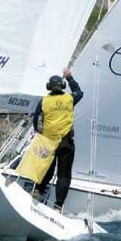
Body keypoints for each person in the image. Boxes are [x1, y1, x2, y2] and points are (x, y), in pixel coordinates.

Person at [34, 67, 83, 212]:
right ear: (62, 86)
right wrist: (69, 77)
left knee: (46, 168)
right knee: (64, 174)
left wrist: (40, 133)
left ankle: (38, 190)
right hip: (66, 142)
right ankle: (58, 205)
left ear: (49, 87)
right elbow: (79, 92)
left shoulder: (44, 101)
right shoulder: (69, 99)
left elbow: (36, 120)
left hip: (48, 141)